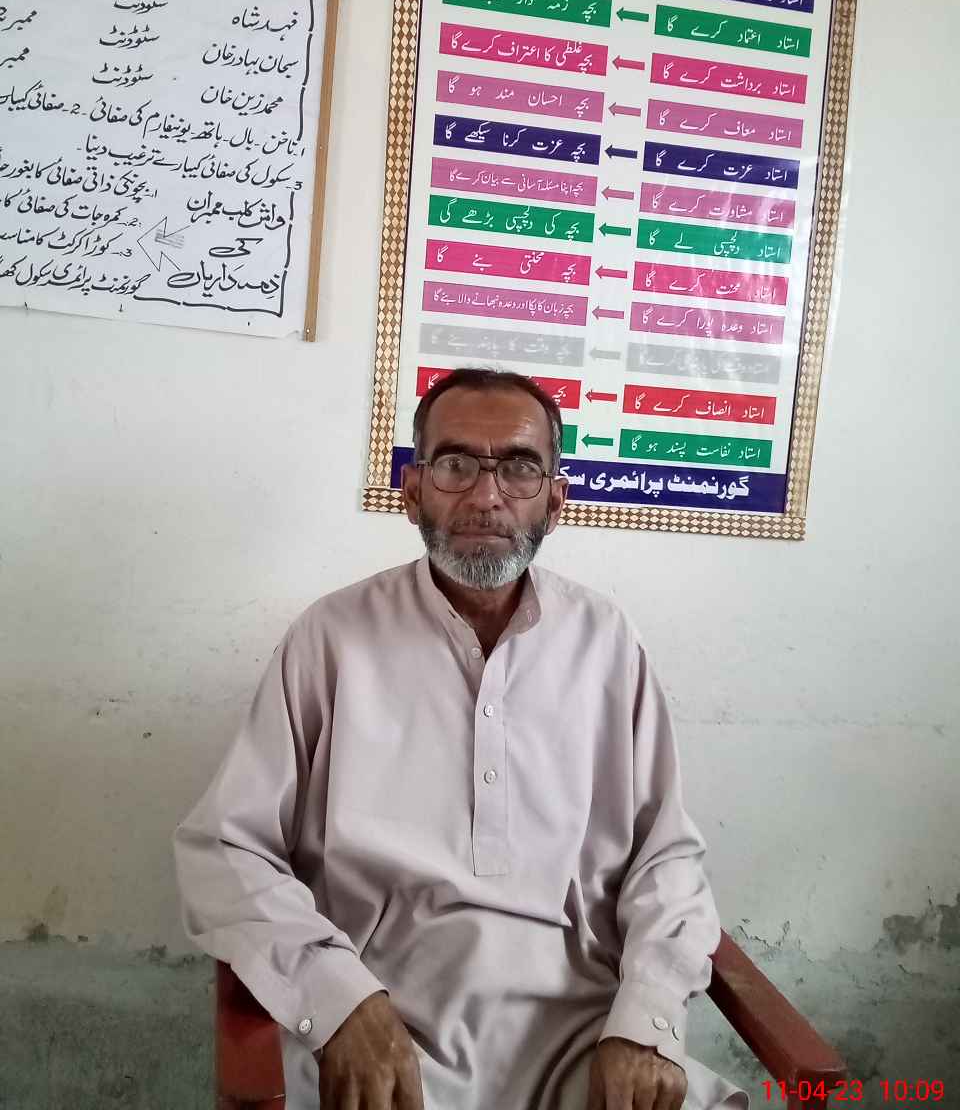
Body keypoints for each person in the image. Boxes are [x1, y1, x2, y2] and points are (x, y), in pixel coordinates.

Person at [174, 368, 747, 1110]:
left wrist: (648, 1018)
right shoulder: (332, 638)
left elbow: (665, 858)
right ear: (412, 491)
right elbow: (225, 850)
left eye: (519, 468)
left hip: (584, 1030)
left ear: (555, 501)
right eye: (455, 464)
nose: (486, 496)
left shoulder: (606, 641)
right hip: (380, 1036)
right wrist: (334, 997)